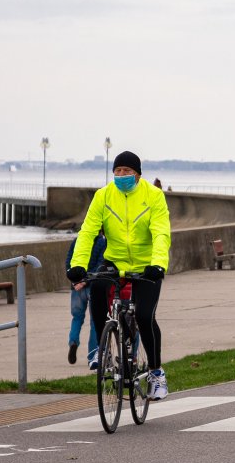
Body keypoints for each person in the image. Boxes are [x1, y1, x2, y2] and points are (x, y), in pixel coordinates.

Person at [68, 150, 172, 400]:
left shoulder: (154, 196)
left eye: (126, 171)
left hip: (146, 265)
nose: (121, 175)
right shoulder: (103, 196)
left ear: (137, 174)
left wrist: (158, 264)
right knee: (97, 290)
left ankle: (157, 373)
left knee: (146, 316)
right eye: (117, 171)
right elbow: (87, 232)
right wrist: (77, 265)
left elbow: (161, 233)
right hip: (114, 261)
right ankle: (105, 346)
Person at [65, 228, 105, 365]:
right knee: (95, 321)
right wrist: (85, 281)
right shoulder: (101, 243)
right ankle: (92, 356)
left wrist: (74, 280)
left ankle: (73, 341)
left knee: (77, 317)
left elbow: (69, 261)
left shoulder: (77, 241)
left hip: (76, 286)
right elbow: (101, 265)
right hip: (92, 285)